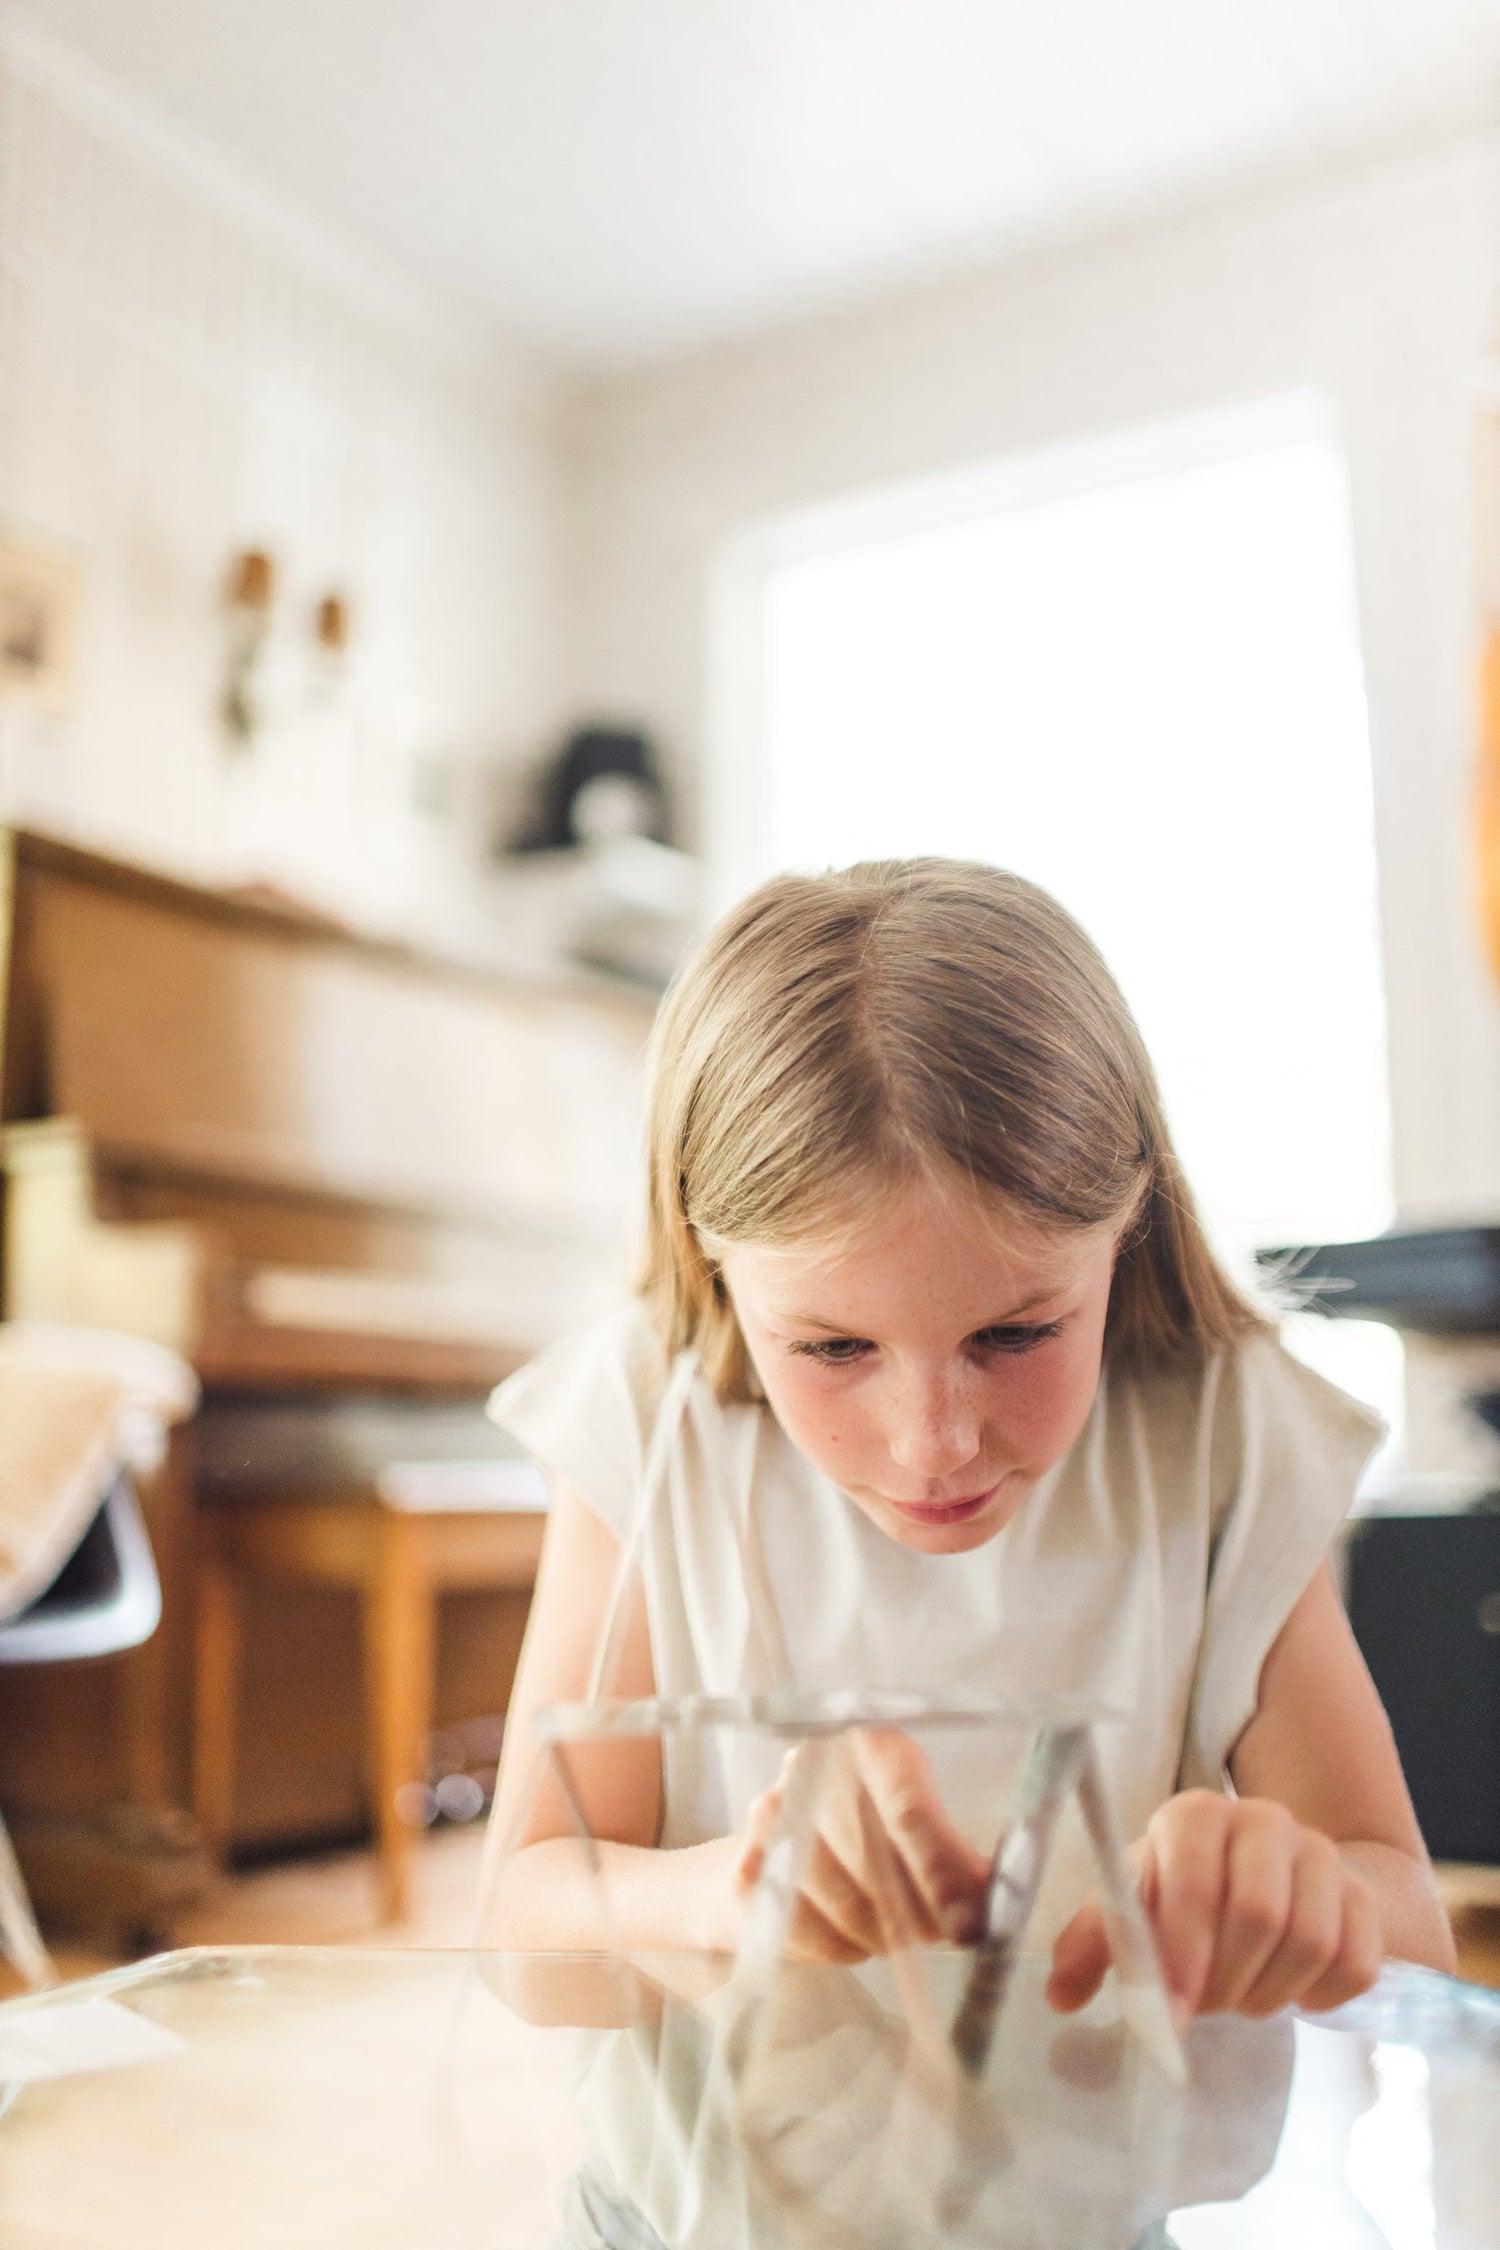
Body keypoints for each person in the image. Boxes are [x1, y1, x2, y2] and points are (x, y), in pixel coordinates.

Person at [488, 858, 1454, 2031]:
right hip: (701, 2210)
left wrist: (1304, 1898)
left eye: (1014, 1332)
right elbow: (521, 1925)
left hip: (1106, 2205)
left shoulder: (1223, 1436)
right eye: (835, 1350)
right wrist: (720, 1894)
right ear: (712, 1267)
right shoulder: (649, 1422)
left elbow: (1407, 1914)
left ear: (1128, 1232)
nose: (933, 1445)